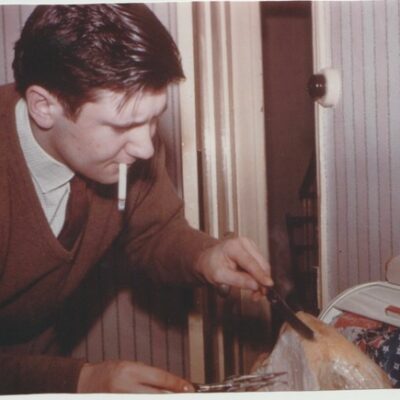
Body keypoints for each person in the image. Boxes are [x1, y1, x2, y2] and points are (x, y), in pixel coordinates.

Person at [0, 4, 273, 394]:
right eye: (124, 124)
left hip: (40, 364)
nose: (146, 147)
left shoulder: (129, 148)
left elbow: (154, 232)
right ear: (45, 106)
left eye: (153, 118)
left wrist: (204, 256)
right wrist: (82, 378)